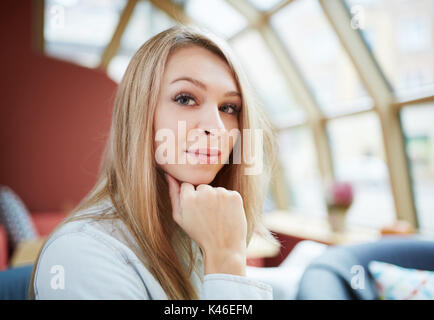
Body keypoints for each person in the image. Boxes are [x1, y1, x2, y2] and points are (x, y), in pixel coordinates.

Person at [29, 24, 280, 300]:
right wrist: (226, 261)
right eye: (186, 99)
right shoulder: (80, 255)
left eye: (229, 107)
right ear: (139, 114)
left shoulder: (195, 228)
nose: (217, 127)